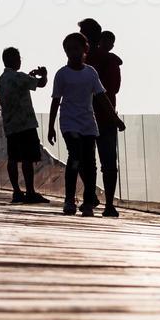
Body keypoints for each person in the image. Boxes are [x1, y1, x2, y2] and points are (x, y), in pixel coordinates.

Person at [48, 32, 124, 217]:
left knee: (90, 163)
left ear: (85, 50)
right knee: (74, 157)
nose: (73, 52)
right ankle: (69, 200)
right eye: (69, 49)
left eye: (76, 48)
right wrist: (51, 126)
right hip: (69, 123)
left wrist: (115, 119)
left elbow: (101, 96)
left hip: (88, 123)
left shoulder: (90, 73)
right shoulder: (62, 74)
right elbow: (56, 100)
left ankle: (88, 201)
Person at [0, 47, 50, 205]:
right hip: (25, 124)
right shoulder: (19, 77)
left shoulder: (1, 80)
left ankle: (16, 191)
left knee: (13, 158)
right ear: (13, 60)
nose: (20, 61)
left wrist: (29, 76)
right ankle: (30, 192)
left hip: (10, 125)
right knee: (28, 158)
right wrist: (44, 74)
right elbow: (41, 84)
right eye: (19, 58)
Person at [88, 29, 124, 208]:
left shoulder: (84, 61)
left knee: (85, 161)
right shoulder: (111, 62)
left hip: (86, 117)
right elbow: (115, 89)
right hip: (107, 117)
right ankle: (109, 204)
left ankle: (90, 196)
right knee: (109, 163)